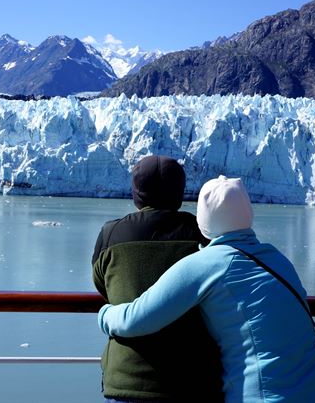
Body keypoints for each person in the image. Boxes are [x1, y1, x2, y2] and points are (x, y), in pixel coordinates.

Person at [98, 176, 315, 403]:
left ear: (203, 221)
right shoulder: (276, 258)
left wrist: (104, 314)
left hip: (266, 396)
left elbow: (136, 320)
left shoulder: (207, 263)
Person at [92, 155, 223, 402]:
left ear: (136, 192)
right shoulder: (202, 235)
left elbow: (102, 285)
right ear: (180, 191)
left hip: (126, 379)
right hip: (193, 380)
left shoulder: (111, 234)